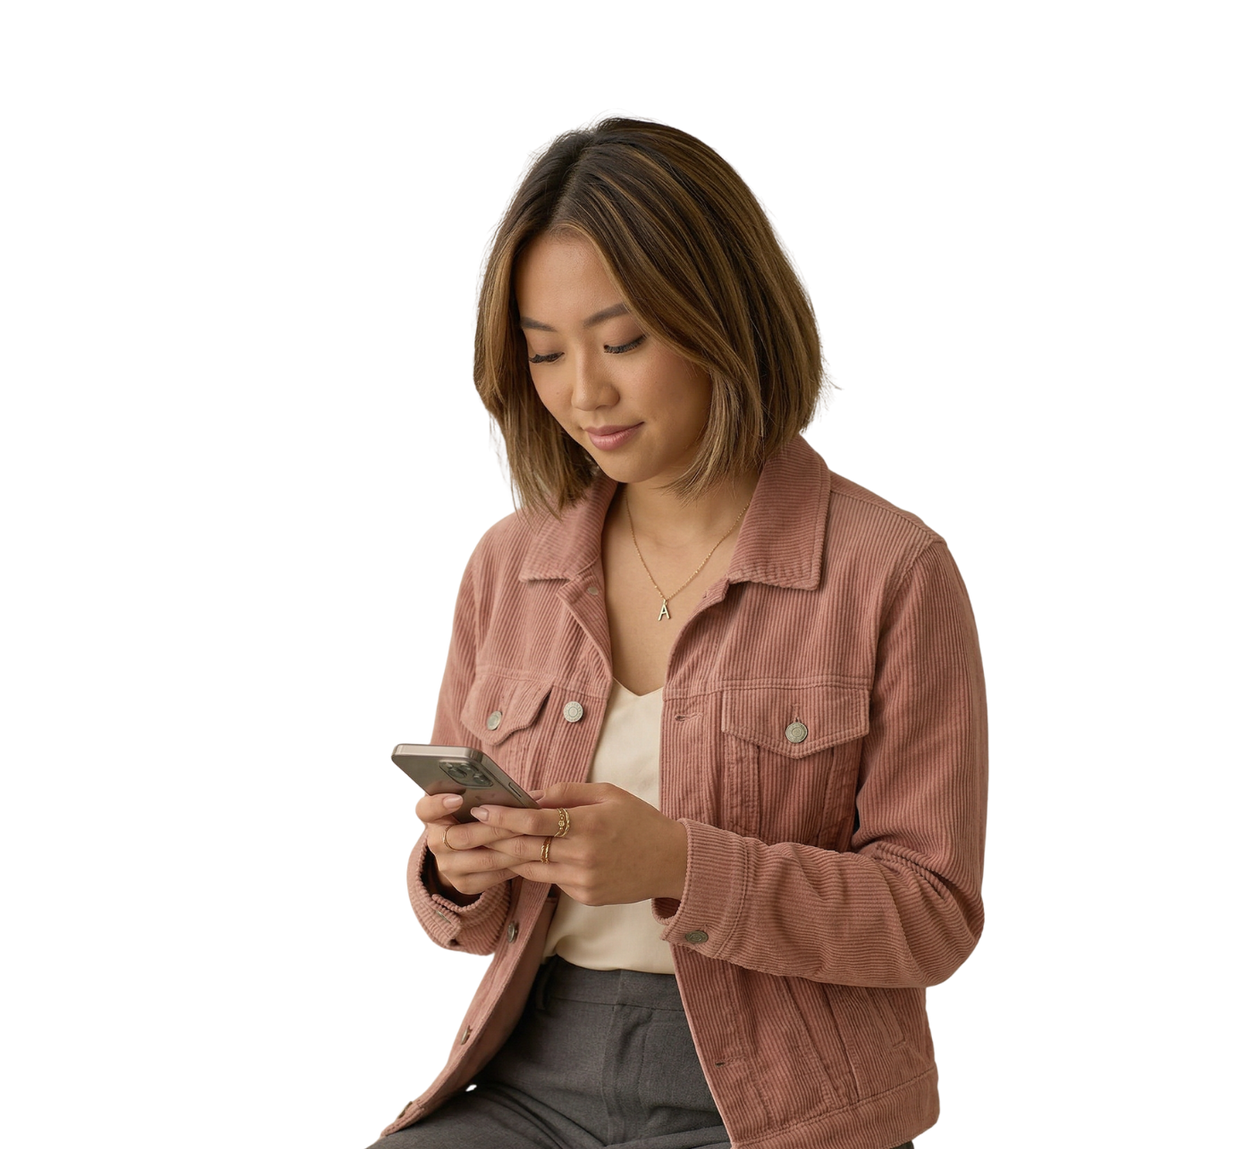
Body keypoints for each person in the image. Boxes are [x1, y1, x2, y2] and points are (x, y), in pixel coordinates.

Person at [372, 111, 990, 1149]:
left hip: (785, 1099)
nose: (584, 393)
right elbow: (464, 919)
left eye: (622, 341)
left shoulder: (896, 572)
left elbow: (933, 917)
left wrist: (680, 864)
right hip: (528, 1070)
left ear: (725, 317)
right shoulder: (506, 563)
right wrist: (453, 869)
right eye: (546, 354)